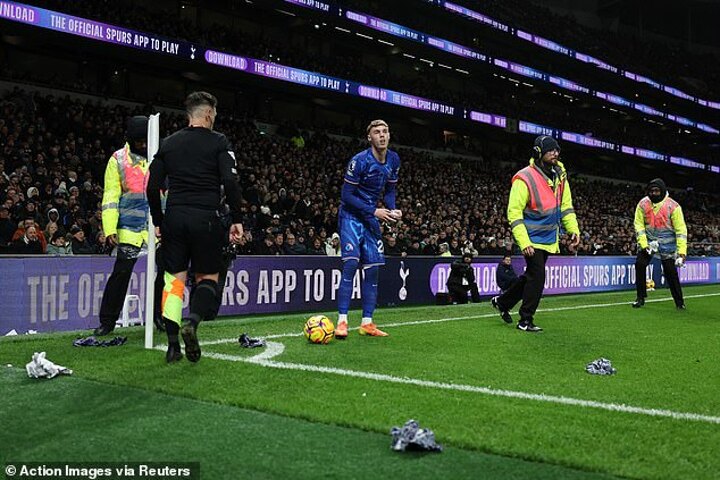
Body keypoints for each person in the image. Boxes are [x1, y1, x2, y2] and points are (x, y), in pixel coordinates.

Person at [146, 91, 244, 363]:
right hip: (206, 217)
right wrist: (237, 218)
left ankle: (173, 345)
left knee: (173, 282)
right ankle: (193, 321)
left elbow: (152, 187)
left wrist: (158, 221)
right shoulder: (218, 141)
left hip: (174, 217)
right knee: (207, 278)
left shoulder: (168, 143)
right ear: (209, 113)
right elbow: (231, 181)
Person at [491, 135, 579, 332]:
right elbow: (514, 213)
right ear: (539, 153)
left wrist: (573, 229)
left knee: (531, 276)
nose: (555, 153)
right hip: (530, 239)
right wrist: (524, 242)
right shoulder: (525, 177)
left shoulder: (560, 174)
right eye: (550, 150)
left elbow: (566, 206)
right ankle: (525, 320)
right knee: (538, 277)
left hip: (549, 238)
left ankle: (503, 302)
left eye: (557, 150)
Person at [335, 120, 401, 339]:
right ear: (369, 138)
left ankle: (367, 323)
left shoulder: (393, 159)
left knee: (372, 269)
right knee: (352, 264)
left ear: (389, 135)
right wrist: (375, 211)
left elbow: (390, 190)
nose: (381, 135)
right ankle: (342, 321)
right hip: (351, 217)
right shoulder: (359, 161)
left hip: (371, 218)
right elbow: (346, 196)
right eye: (377, 132)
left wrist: (392, 210)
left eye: (385, 131)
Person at [92, 116, 151, 335]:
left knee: (165, 273)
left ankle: (159, 318)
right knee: (121, 274)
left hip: (157, 230)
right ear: (130, 139)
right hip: (128, 229)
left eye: (145, 140)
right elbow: (110, 196)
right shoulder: (117, 159)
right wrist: (109, 228)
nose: (143, 145)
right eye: (138, 142)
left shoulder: (160, 156)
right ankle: (107, 321)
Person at [632, 178, 687, 309]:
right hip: (649, 242)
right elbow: (638, 225)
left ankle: (679, 302)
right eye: (651, 191)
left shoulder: (673, 207)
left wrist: (682, 252)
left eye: (657, 191)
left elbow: (681, 230)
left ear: (662, 191)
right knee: (640, 264)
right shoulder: (643, 204)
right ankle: (640, 297)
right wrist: (644, 245)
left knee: (670, 272)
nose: (654, 193)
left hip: (668, 244)